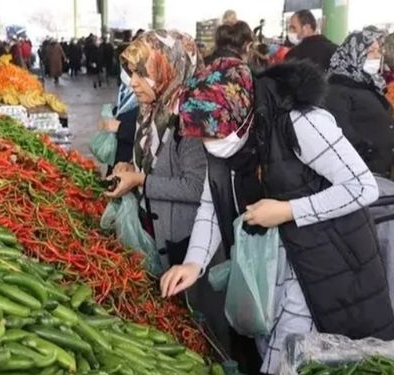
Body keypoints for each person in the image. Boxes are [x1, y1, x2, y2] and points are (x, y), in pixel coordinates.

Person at [164, 56, 394, 375]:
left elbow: (362, 187)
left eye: (213, 136)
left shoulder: (300, 123)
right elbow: (210, 201)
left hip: (327, 263)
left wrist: (288, 210)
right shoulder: (220, 127)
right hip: (273, 264)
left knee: (295, 357)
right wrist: (194, 262)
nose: (209, 144)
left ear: (242, 115)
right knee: (276, 350)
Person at [109, 28, 207, 295]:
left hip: (181, 244)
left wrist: (140, 180)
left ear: (167, 70)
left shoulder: (190, 121)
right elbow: (148, 161)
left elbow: (197, 187)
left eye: (142, 73)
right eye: (132, 73)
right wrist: (130, 167)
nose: (133, 82)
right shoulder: (150, 110)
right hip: (153, 230)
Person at [325, 27, 394, 178]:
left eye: (378, 51)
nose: (377, 56)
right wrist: (369, 152)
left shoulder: (370, 84)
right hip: (362, 172)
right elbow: (341, 130)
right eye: (371, 51)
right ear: (355, 53)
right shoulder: (338, 88)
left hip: (380, 169)